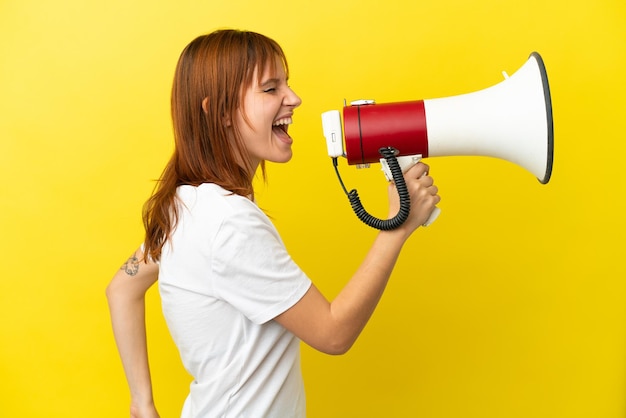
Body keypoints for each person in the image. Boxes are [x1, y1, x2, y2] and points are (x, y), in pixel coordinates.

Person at [106, 29, 440, 418]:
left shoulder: (185, 205)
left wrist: (141, 404)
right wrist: (398, 227)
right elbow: (333, 334)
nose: (294, 98)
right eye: (270, 89)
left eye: (287, 83)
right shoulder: (229, 224)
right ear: (220, 112)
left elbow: (122, 287)